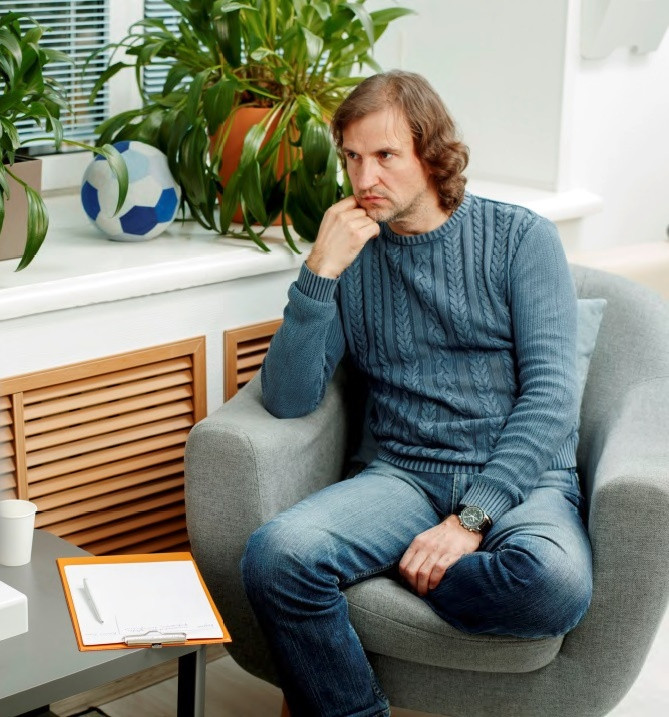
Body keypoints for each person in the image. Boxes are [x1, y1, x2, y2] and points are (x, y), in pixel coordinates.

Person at [241, 70, 592, 717]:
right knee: (275, 557)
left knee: (553, 585)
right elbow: (288, 398)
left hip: (523, 478)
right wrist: (318, 271)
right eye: (352, 157)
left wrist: (468, 522)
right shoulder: (350, 254)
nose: (364, 177)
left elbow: (550, 399)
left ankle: (394, 563)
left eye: (384, 155)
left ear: (431, 154)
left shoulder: (521, 238)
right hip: (404, 475)